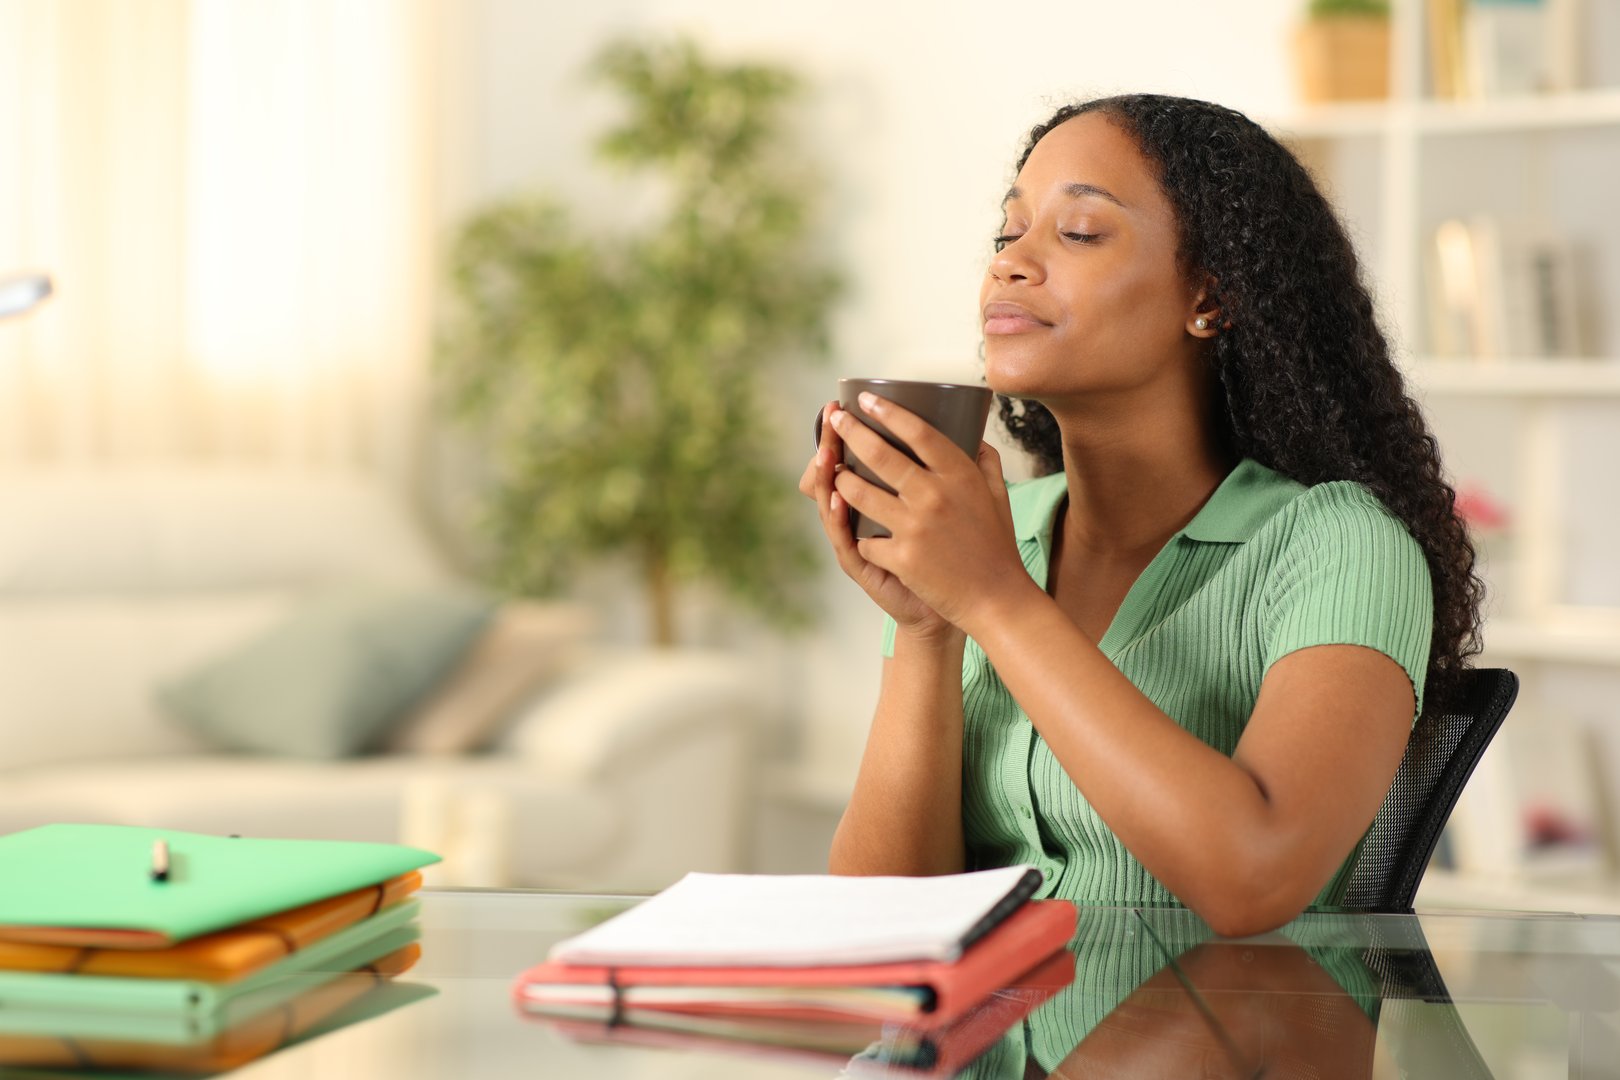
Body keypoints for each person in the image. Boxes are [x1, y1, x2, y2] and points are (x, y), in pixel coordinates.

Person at [798, 93, 1484, 937]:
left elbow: (1255, 876)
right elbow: (880, 922)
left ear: (1211, 295)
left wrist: (994, 601)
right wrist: (926, 626)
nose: (1010, 264)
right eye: (1008, 234)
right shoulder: (986, 535)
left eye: (1079, 232)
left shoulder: (1339, 545)